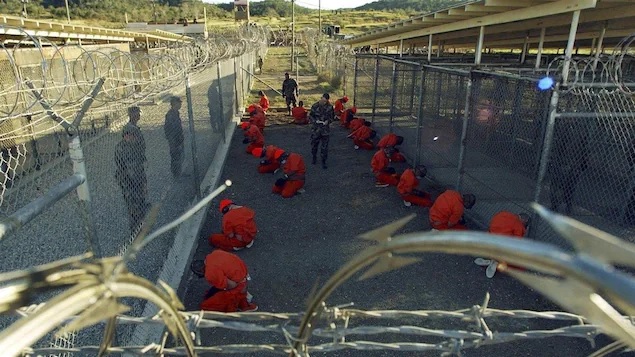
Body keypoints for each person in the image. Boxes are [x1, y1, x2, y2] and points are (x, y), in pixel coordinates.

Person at [192, 250, 258, 312]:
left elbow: (232, 285)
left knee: (205, 306)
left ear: (201, 271)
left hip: (238, 285)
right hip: (243, 275)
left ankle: (236, 303)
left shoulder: (209, 273)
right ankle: (243, 304)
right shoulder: (214, 254)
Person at [115, 124, 149, 236]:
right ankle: (136, 230)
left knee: (141, 202)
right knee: (133, 205)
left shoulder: (135, 145)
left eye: (134, 136)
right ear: (125, 136)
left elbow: (140, 164)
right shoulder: (122, 148)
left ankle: (141, 225)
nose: (132, 138)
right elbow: (128, 167)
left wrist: (143, 183)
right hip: (128, 181)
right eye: (130, 135)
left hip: (138, 178)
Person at [474, 212, 530, 278]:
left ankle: (492, 258)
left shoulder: (503, 214)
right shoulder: (519, 226)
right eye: (525, 224)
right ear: (524, 221)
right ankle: (497, 262)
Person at [309, 93, 335, 169]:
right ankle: (314, 157)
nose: (323, 102)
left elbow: (332, 117)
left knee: (324, 147)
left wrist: (328, 121)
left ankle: (324, 161)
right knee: (314, 145)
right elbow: (311, 116)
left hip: (325, 130)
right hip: (316, 129)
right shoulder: (315, 106)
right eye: (322, 100)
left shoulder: (330, 107)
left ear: (327, 101)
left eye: (325, 101)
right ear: (321, 98)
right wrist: (315, 121)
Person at [164, 96, 184, 177]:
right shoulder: (170, 115)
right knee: (175, 156)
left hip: (178, 139)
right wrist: (172, 141)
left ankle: (178, 172)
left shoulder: (176, 113)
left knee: (179, 156)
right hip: (174, 140)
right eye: (179, 103)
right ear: (175, 104)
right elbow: (170, 129)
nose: (180, 105)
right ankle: (176, 173)